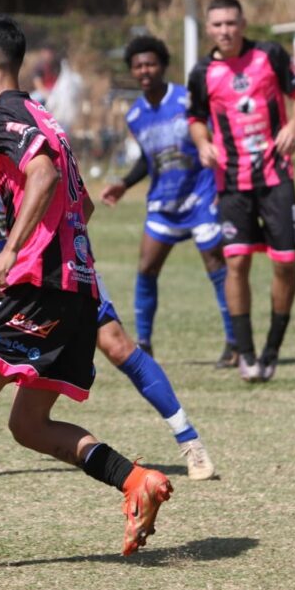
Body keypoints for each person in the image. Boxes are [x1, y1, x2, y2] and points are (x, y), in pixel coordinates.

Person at [0, 15, 172, 568]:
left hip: (41, 286)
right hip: (78, 287)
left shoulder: (2, 116)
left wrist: (10, 251)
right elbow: (83, 202)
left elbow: (44, 177)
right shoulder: (43, 114)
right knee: (28, 426)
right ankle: (135, 479)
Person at [0, 77, 214, 481]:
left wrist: (47, 245)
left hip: (54, 271)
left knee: (116, 347)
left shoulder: (21, 138)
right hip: (10, 275)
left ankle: (190, 442)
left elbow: (79, 199)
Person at [187, 0, 295, 382]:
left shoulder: (270, 55)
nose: (225, 31)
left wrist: (292, 126)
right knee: (237, 263)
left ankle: (272, 348)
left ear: (243, 23)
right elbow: (195, 117)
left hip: (276, 177)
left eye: (231, 23)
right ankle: (246, 353)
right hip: (232, 182)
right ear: (208, 29)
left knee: (285, 264)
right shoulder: (202, 72)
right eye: (217, 24)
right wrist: (203, 142)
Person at [101, 35, 236, 367]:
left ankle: (235, 342)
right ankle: (144, 344)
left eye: (150, 63)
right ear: (132, 71)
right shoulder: (135, 115)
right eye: (138, 66)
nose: (145, 70)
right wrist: (124, 184)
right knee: (146, 267)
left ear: (162, 65)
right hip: (164, 202)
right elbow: (150, 160)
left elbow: (212, 137)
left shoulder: (188, 99)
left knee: (217, 267)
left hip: (201, 197)